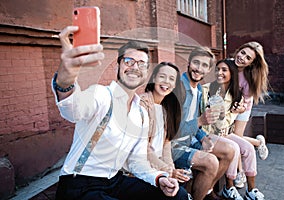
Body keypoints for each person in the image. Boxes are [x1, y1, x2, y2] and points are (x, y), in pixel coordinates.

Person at [52, 26, 188, 200]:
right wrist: (66, 77)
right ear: (118, 65)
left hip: (114, 182)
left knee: (178, 195)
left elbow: (137, 161)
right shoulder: (101, 95)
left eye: (141, 64)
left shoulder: (140, 114)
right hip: (80, 184)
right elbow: (72, 109)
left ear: (146, 73)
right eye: (128, 61)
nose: (134, 67)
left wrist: (159, 178)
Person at [171, 46, 235, 200]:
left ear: (209, 70)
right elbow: (171, 130)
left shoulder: (198, 89)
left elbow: (196, 122)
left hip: (190, 139)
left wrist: (203, 138)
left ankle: (205, 190)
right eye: (196, 63)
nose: (199, 69)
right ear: (189, 62)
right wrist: (200, 121)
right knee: (211, 162)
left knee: (229, 150)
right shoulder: (178, 88)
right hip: (173, 145)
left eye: (204, 65)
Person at [202, 59, 265, 200]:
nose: (220, 73)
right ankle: (229, 188)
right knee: (234, 147)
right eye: (217, 69)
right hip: (208, 134)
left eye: (224, 70)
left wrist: (233, 115)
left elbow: (228, 121)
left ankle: (251, 190)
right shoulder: (206, 90)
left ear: (232, 73)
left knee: (248, 148)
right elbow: (209, 119)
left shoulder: (235, 95)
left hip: (224, 133)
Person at [140, 62, 192, 198]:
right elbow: (142, 149)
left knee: (181, 183)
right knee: (180, 194)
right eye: (162, 76)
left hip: (159, 168)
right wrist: (168, 171)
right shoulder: (143, 104)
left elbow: (166, 145)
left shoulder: (165, 109)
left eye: (171, 79)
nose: (166, 82)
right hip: (142, 169)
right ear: (154, 78)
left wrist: (171, 170)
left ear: (175, 85)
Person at [230, 42, 269, 188]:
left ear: (251, 63)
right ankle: (258, 143)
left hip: (242, 107)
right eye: (242, 53)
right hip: (229, 106)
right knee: (233, 138)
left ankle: (240, 173)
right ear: (238, 50)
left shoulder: (248, 78)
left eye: (248, 58)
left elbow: (245, 102)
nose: (242, 58)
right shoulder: (228, 65)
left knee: (236, 137)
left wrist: (238, 109)